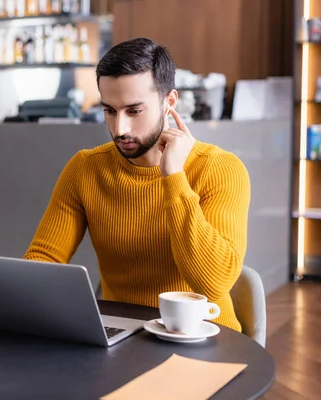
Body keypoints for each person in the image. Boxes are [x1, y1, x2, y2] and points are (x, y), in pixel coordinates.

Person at [23, 38, 250, 332]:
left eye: (134, 111)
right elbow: (43, 260)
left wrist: (173, 177)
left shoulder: (220, 168)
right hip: (125, 336)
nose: (120, 129)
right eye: (110, 111)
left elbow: (214, 281)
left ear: (169, 102)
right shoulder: (85, 169)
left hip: (205, 338)